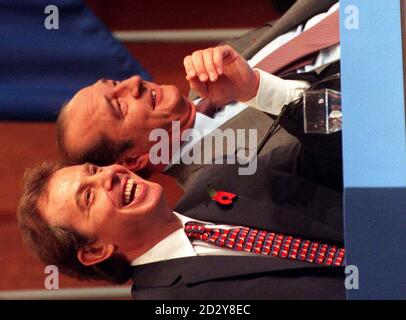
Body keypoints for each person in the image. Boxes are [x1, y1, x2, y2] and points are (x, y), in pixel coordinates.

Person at [56, 1, 340, 190]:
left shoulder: (214, 63)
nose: (133, 82)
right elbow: (346, 136)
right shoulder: (231, 180)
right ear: (132, 161)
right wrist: (256, 90)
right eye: (119, 106)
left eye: (115, 82)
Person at [17, 151, 345, 299]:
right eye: (88, 197)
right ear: (95, 250)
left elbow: (327, 154)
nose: (109, 174)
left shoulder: (221, 180)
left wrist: (258, 90)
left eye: (94, 169)